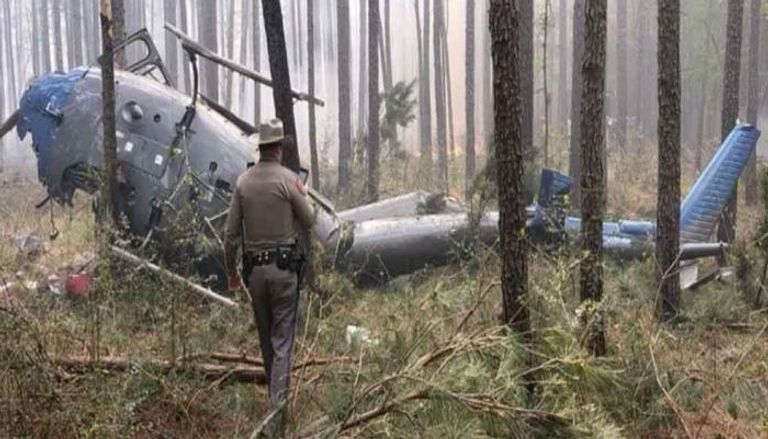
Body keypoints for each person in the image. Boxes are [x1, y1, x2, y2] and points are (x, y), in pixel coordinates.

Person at [224, 119, 315, 437]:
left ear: (260, 148)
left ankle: (273, 411)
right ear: (278, 148)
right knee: (282, 345)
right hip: (284, 273)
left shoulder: (243, 183)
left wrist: (232, 274)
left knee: (268, 343)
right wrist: (304, 195)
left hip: (255, 276)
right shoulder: (289, 180)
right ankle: (275, 423)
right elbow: (310, 220)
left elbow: (230, 236)